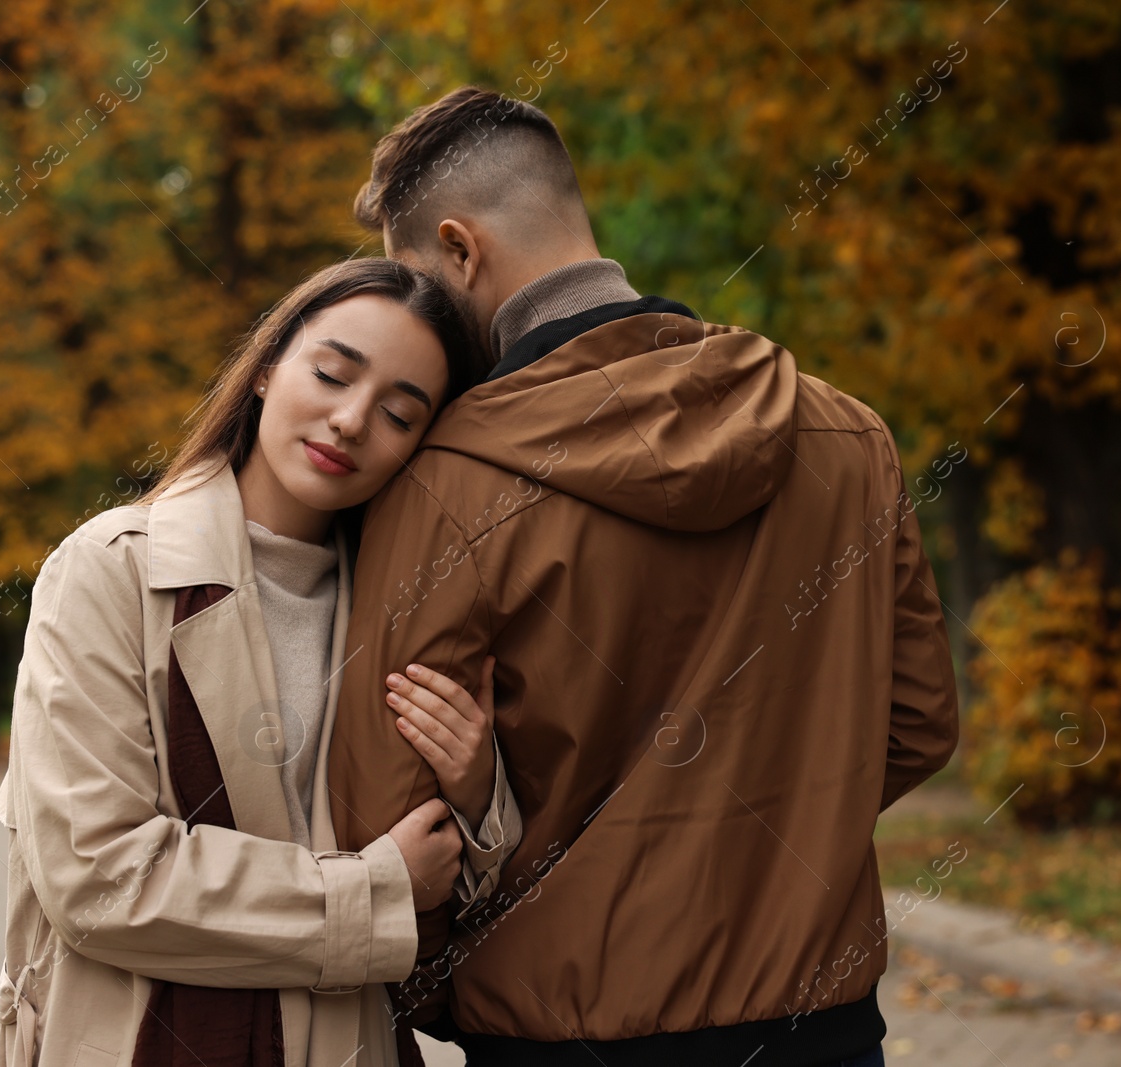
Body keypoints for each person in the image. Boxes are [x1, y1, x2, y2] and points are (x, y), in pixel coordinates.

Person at [326, 87, 961, 1067]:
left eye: (417, 278)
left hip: (559, 1023)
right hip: (817, 1023)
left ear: (459, 250)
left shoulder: (443, 481)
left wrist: (442, 979)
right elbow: (917, 718)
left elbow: (386, 802)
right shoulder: (844, 435)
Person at [0, 257, 523, 1067]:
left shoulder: (414, 609)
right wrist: (372, 895)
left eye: (400, 414)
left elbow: (458, 904)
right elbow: (99, 878)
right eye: (332, 373)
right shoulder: (111, 570)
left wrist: (480, 794)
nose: (349, 420)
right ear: (268, 367)